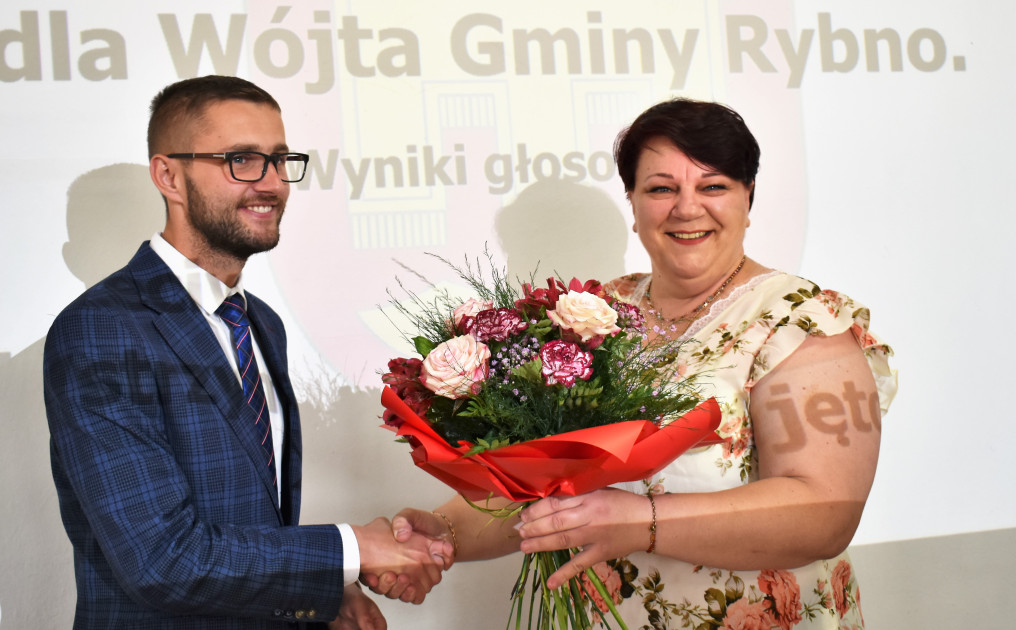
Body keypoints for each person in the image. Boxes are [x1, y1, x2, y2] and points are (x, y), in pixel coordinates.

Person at [376, 98, 896, 629]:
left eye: (713, 186)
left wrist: (641, 522)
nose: (687, 208)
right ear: (633, 201)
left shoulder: (799, 318)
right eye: (661, 189)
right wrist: (444, 535)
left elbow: (825, 512)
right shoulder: (595, 315)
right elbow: (543, 488)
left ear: (749, 197)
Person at [44, 75, 450, 629]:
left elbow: (252, 525)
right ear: (168, 176)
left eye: (280, 160)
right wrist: (354, 549)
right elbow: (162, 560)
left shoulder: (260, 321)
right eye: (242, 160)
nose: (272, 183)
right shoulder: (102, 330)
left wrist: (323, 592)